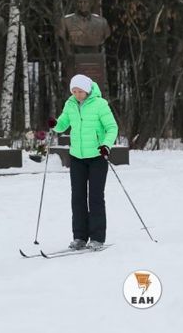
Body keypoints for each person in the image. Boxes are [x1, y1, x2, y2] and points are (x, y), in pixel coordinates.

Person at [48, 74, 118, 251]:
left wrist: (106, 145)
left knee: (95, 197)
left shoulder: (100, 104)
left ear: (87, 90)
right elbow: (62, 124)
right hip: (77, 158)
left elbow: (112, 127)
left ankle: (97, 238)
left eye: (80, 91)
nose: (77, 94)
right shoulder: (70, 104)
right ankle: (79, 237)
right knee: (77, 198)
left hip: (97, 157)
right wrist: (55, 123)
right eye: (74, 91)